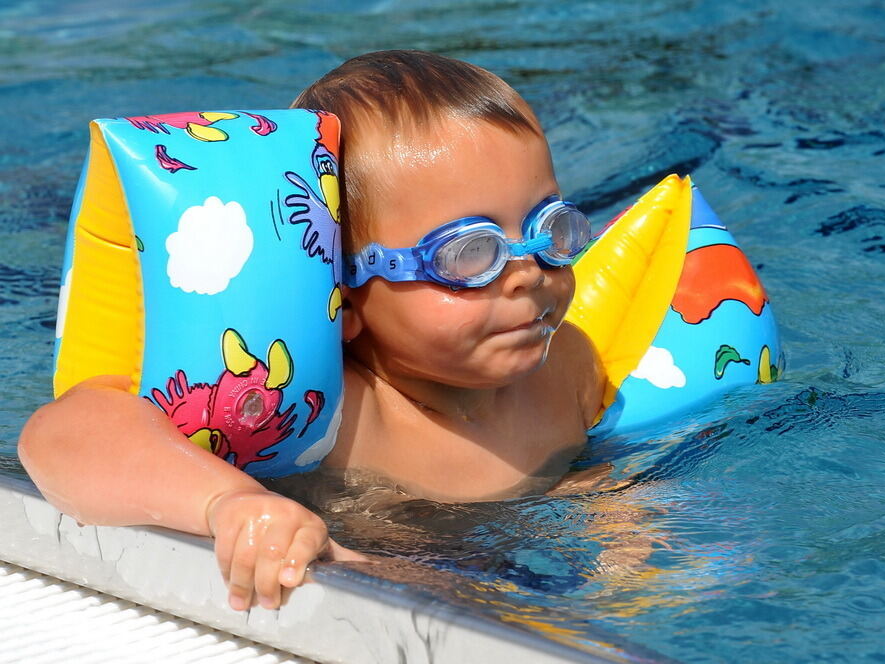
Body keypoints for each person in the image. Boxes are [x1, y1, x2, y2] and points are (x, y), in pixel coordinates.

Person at [18, 50, 606, 613]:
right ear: (345, 296)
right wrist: (231, 503)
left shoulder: (569, 366)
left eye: (548, 227)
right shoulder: (340, 416)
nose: (529, 273)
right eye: (470, 253)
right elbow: (61, 434)